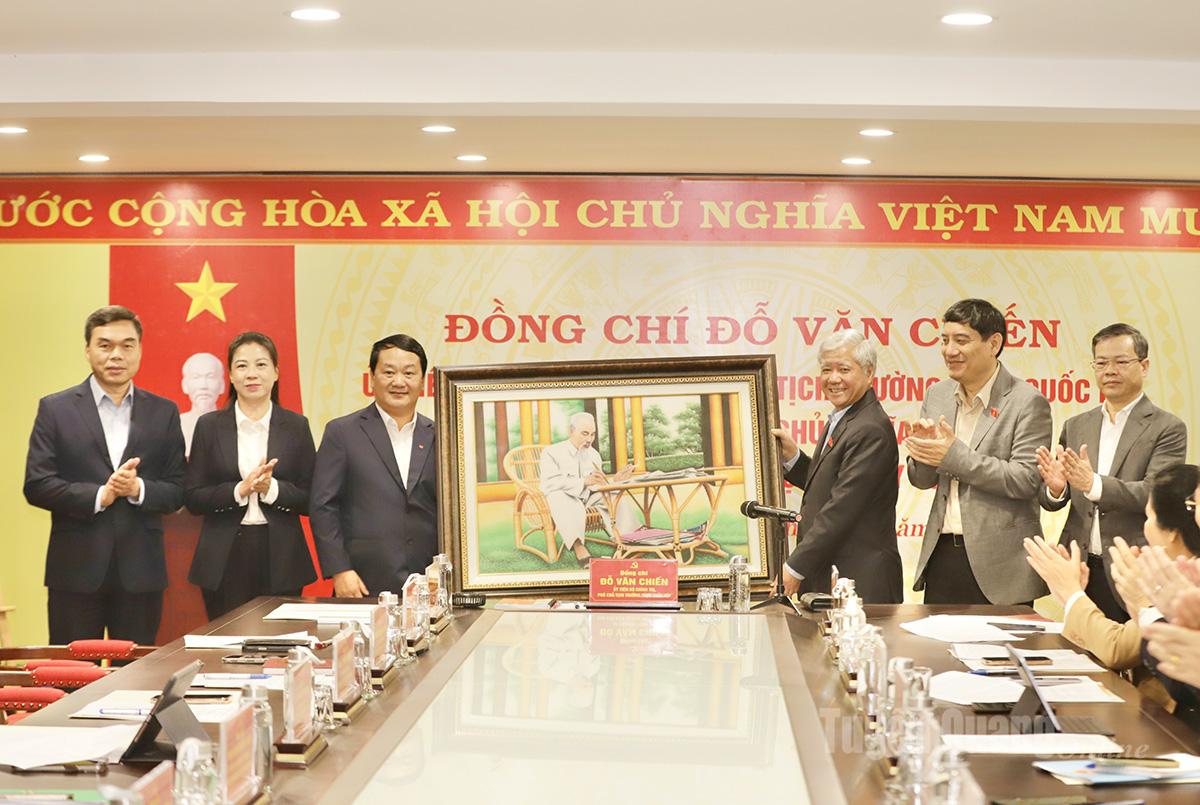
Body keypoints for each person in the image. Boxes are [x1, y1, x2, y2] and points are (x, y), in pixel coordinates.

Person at [23, 305, 185, 644]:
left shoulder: (164, 411)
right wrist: (100, 495)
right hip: (75, 572)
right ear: (87, 350)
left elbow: (178, 489)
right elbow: (37, 484)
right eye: (105, 345)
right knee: (74, 672)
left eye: (127, 345)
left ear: (139, 350)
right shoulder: (56, 409)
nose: (116, 355)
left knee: (139, 672)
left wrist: (137, 488)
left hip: (141, 574)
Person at [1037, 323, 1186, 623]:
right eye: (1101, 363)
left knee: (1131, 650)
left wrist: (1093, 484)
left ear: (1144, 366)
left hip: (1132, 567)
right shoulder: (1076, 425)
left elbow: (1156, 494)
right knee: (1078, 646)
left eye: (1121, 362)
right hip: (1080, 567)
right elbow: (1054, 499)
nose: (1110, 371)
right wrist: (1056, 489)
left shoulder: (1167, 428)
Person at [906, 298, 1051, 605]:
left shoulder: (1026, 401)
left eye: (961, 341)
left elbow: (1025, 479)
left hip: (1002, 567)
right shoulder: (937, 394)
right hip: (943, 555)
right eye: (944, 340)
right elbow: (922, 480)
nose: (949, 351)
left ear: (993, 344)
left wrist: (953, 456)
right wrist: (922, 453)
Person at [1023, 464, 1200, 709]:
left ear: (1171, 531)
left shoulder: (1185, 579)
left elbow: (1117, 649)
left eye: (1148, 516)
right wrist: (1072, 596)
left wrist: (1072, 594)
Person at [184, 332, 317, 620]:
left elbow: (311, 498)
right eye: (242, 366)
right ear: (231, 376)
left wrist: (272, 489)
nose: (252, 374)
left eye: (261, 365)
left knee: (281, 639)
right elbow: (193, 497)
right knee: (227, 639)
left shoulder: (296, 426)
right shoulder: (209, 426)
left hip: (281, 555)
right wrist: (239, 491)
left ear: (276, 372)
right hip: (224, 555)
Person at [770, 330, 902, 603]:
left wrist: (795, 567)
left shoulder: (870, 429)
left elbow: (841, 508)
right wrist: (793, 458)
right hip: (834, 575)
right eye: (826, 369)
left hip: (861, 582)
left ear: (869, 373)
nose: (833, 379)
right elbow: (830, 486)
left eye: (844, 369)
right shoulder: (847, 417)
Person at [311, 334, 437, 597]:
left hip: (428, 584)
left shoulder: (440, 434)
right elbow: (323, 506)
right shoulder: (342, 432)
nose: (399, 382)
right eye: (389, 372)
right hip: (362, 582)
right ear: (371, 378)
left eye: (409, 373)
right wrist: (340, 569)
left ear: (423, 381)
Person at [539, 411, 638, 567]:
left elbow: (597, 484)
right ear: (571, 431)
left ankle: (628, 539)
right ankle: (578, 546)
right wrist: (583, 482)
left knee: (614, 495)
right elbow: (549, 483)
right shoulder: (551, 453)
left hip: (588, 499)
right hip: (563, 499)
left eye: (592, 434)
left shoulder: (594, 455)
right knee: (558, 496)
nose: (589, 439)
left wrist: (613, 481)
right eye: (585, 434)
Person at [178, 352, 224, 457]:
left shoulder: (235, 424)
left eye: (210, 377)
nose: (203, 385)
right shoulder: (175, 425)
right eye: (196, 377)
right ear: (185, 385)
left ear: (222, 385)